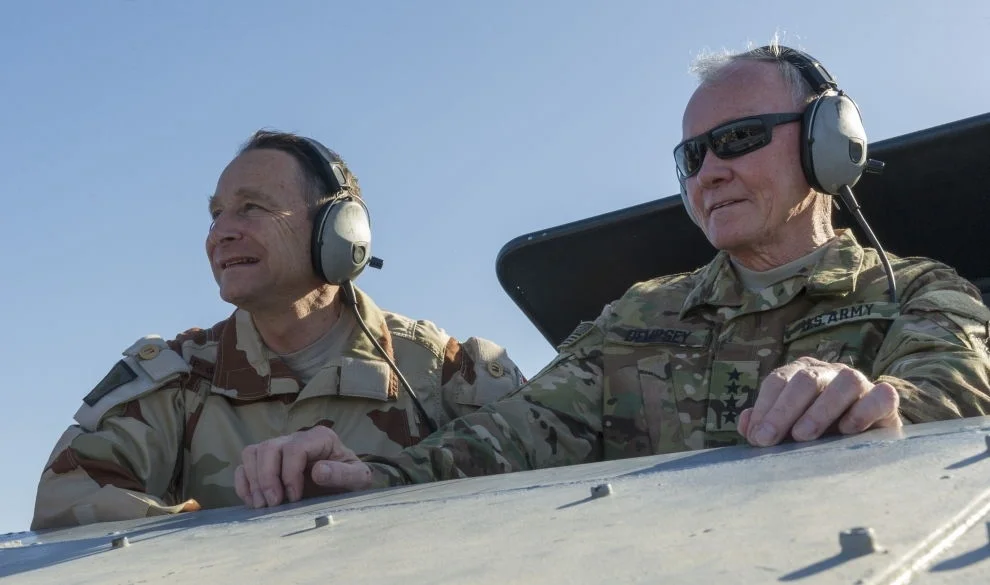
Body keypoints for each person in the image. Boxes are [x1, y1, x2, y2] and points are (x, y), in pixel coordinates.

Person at [233, 42, 990, 500]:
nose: (711, 170)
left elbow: (952, 397)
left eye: (740, 138)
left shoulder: (919, 292)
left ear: (830, 145)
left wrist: (873, 407)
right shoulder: (637, 316)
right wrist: (363, 475)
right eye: (692, 155)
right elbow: (508, 437)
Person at [31, 130, 524, 529]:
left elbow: (554, 477)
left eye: (252, 207)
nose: (221, 231)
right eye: (216, 213)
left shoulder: (445, 371)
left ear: (339, 232)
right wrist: (213, 536)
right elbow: (64, 501)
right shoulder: (177, 376)